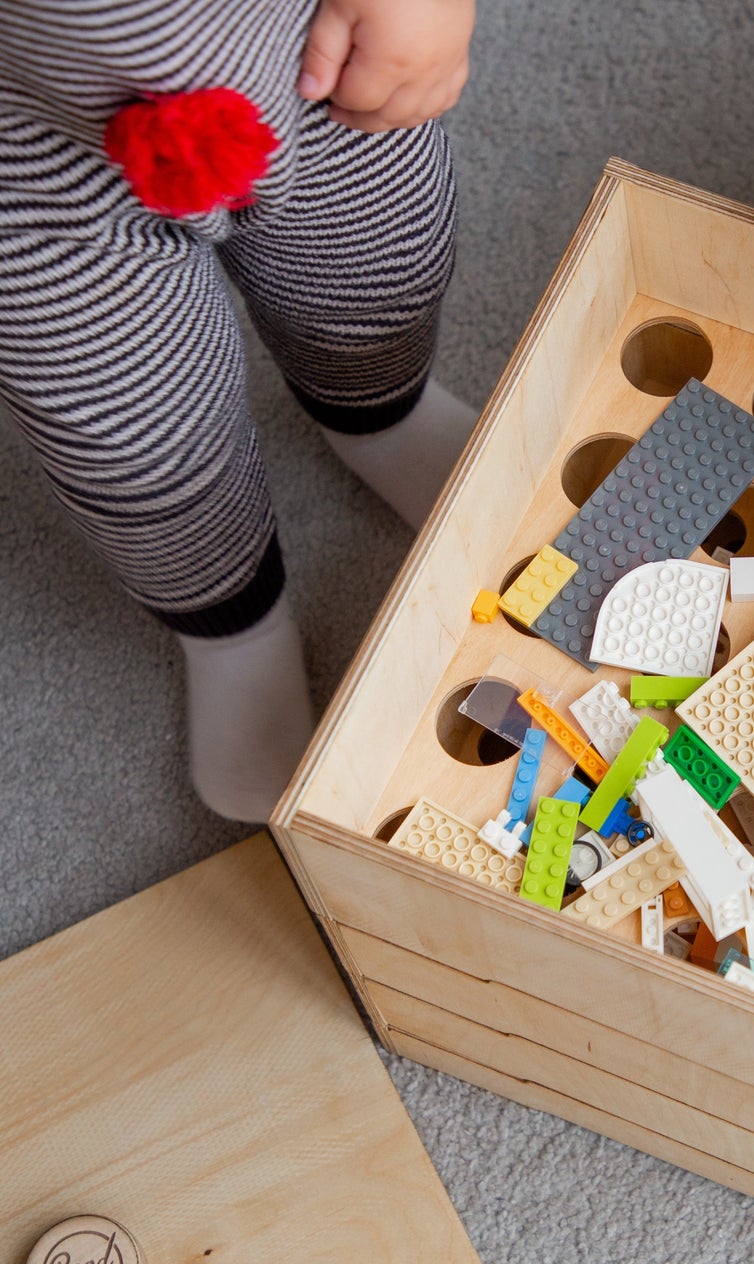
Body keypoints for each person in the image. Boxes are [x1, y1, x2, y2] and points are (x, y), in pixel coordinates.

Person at [0, 0, 478, 822]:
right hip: (29, 156)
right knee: (132, 440)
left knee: (381, 275)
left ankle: (382, 418)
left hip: (303, 50)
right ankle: (235, 626)